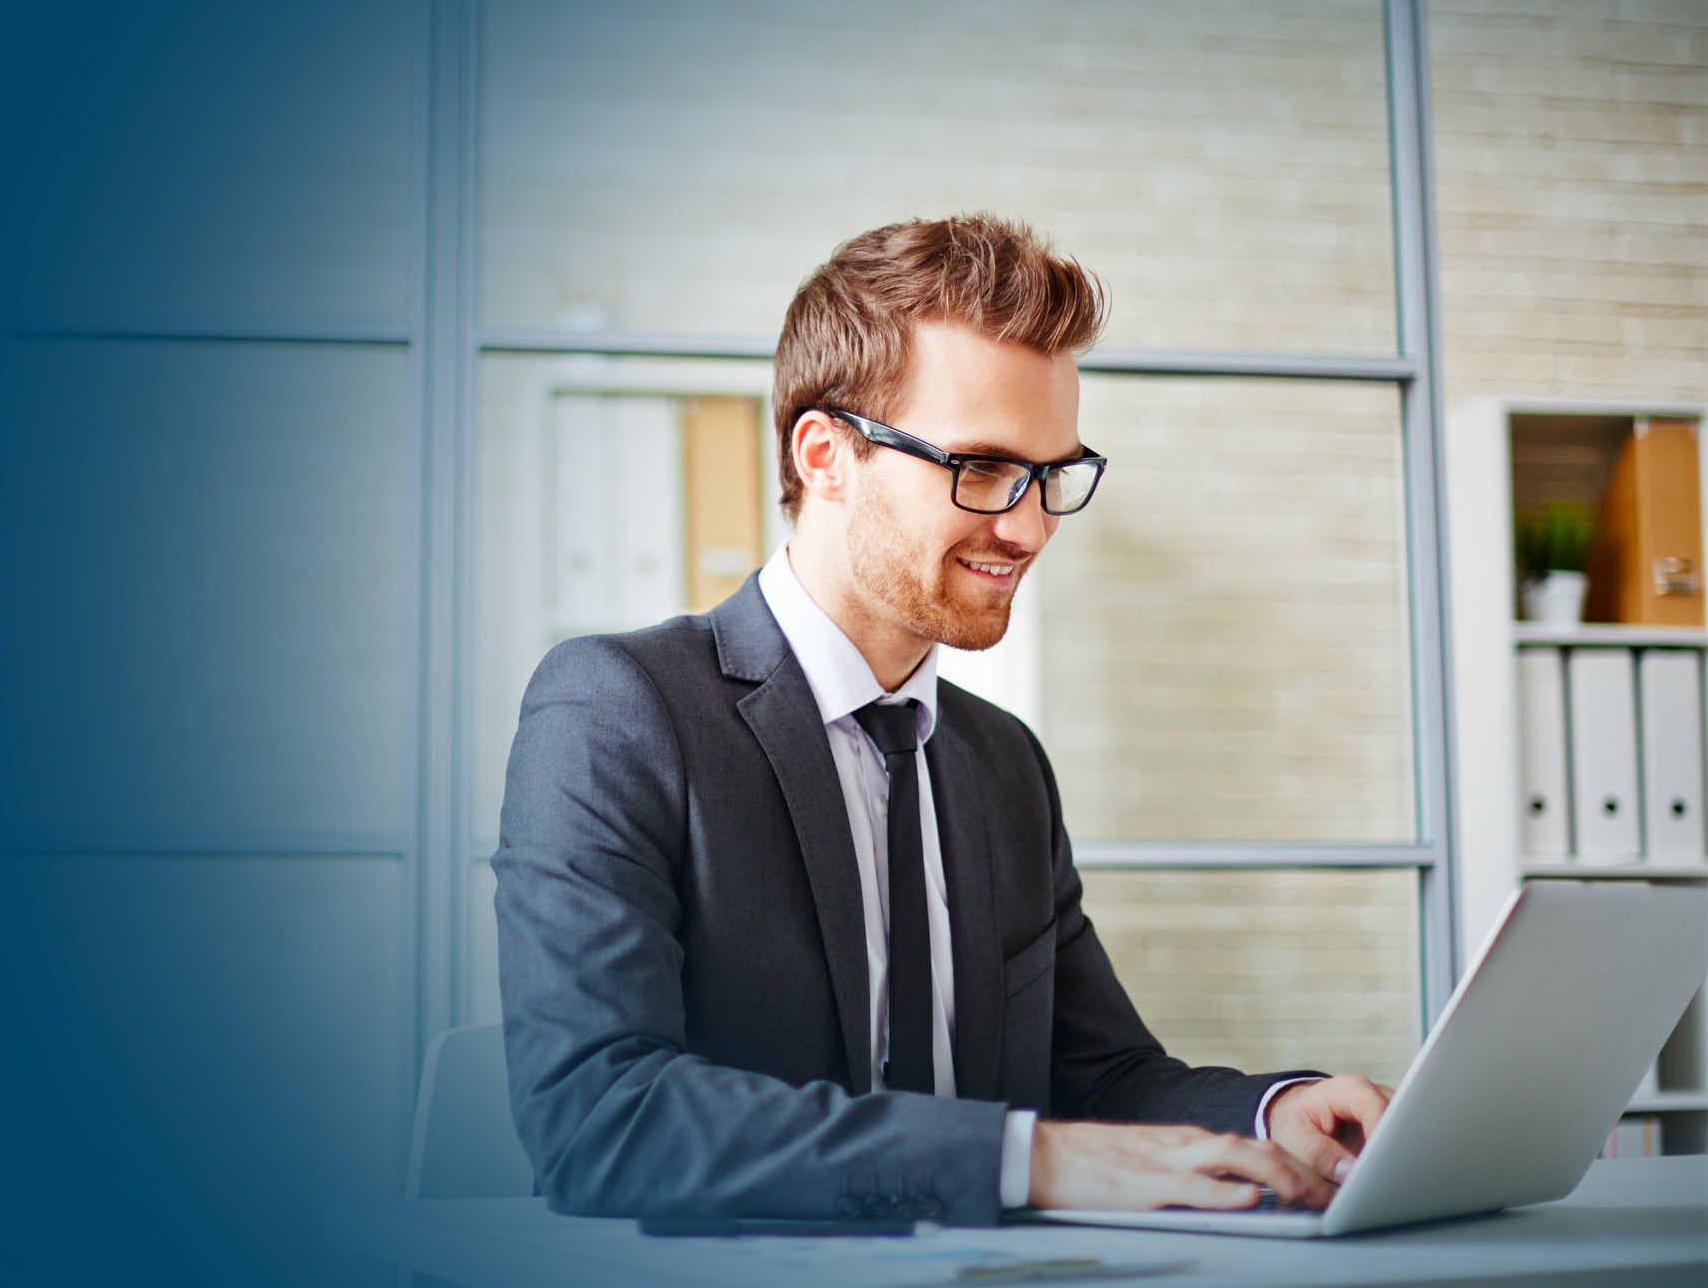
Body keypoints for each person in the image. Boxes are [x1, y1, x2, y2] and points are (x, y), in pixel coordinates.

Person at [493, 214, 1393, 1225]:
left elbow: (1097, 1078)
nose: (1028, 525)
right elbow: (600, 1117)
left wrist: (1276, 1113)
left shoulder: (1001, 761)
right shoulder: (617, 710)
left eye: (1051, 475)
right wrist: (1023, 1160)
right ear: (825, 455)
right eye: (981, 467)